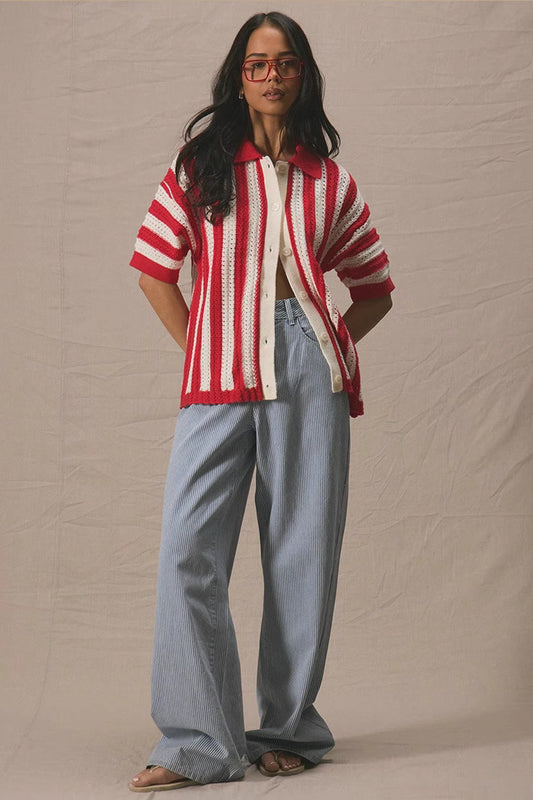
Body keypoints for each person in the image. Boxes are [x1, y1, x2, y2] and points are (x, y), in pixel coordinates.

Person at [127, 10, 393, 792]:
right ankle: (196, 742)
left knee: (302, 554)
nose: (271, 75)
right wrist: (204, 346)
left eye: (284, 63)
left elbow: (374, 288)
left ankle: (288, 731)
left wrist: (328, 345)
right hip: (218, 370)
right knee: (188, 550)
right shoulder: (199, 166)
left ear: (302, 74)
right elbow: (152, 270)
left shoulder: (329, 181)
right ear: (238, 78)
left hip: (308, 371)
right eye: (256, 63)